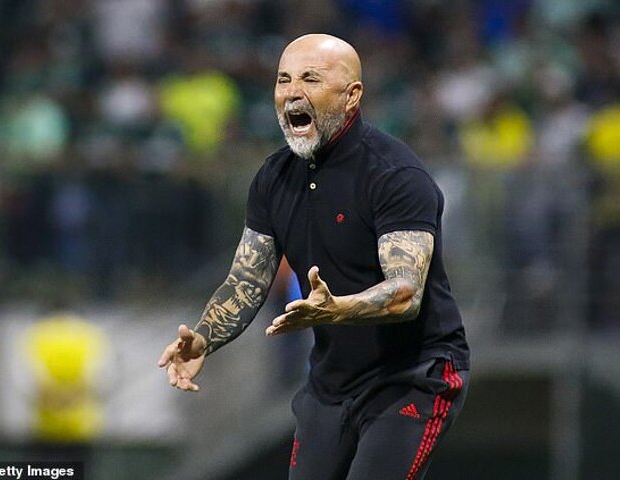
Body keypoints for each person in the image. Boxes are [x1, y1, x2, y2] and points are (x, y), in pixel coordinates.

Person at [158, 33, 470, 480]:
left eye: (310, 79)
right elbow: (246, 281)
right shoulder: (273, 178)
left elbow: (405, 294)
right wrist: (205, 337)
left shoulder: (395, 175)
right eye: (284, 79)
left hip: (413, 377)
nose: (292, 92)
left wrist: (339, 309)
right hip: (331, 381)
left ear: (351, 96)